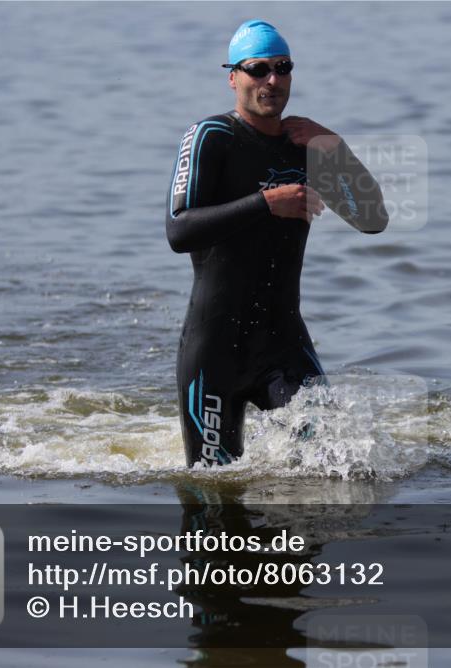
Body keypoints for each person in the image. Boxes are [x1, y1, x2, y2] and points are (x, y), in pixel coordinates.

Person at [166, 20, 388, 467]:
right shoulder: (211, 137)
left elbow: (373, 220)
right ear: (234, 77)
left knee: (337, 469)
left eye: (282, 68)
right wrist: (265, 204)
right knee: (215, 497)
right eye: (258, 68)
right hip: (214, 354)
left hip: (283, 346)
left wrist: (336, 148)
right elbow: (179, 230)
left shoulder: (305, 146)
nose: (272, 79)